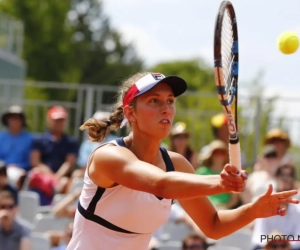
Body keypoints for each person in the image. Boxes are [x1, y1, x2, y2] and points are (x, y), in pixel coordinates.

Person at [66, 72, 299, 250]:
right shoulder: (108, 156)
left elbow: (214, 225)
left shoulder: (177, 164)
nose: (166, 109)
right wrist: (221, 182)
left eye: (170, 101)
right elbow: (161, 184)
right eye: (154, 101)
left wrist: (253, 210)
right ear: (130, 113)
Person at [29, 106, 79, 205]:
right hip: (43, 175)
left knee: (64, 183)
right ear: (49, 120)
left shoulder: (71, 142)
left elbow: (69, 163)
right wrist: (51, 177)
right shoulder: (38, 140)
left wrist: (56, 178)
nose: (59, 123)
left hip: (62, 177)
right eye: (56, 120)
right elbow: (35, 162)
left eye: (61, 120)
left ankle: (58, 208)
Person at [196, 140, 240, 209]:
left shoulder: (231, 174)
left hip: (223, 208)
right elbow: (196, 193)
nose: (219, 156)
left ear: (226, 155)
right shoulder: (201, 172)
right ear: (210, 155)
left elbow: (234, 199)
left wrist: (224, 207)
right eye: (216, 153)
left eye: (222, 153)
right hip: (205, 207)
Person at [0, 105, 32, 187]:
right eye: (12, 118)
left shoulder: (29, 139)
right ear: (7, 120)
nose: (14, 121)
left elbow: (31, 160)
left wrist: (20, 167)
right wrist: (5, 166)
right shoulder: (1, 138)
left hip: (22, 173)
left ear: (22, 121)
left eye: (17, 118)